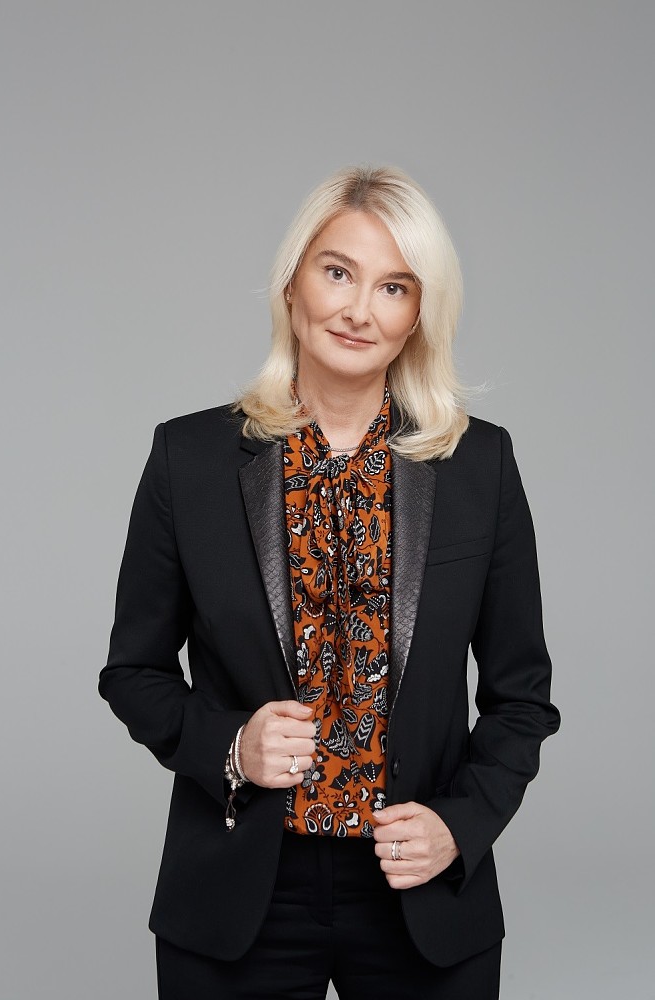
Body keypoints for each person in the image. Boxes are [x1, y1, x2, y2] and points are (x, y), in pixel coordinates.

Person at [98, 164, 560, 999]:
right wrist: (230, 746)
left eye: (393, 287)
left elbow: (521, 697)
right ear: (292, 283)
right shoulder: (188, 460)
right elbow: (133, 672)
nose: (358, 310)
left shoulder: (479, 466)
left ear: (417, 316)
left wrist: (459, 826)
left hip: (418, 888)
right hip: (240, 887)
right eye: (337, 272)